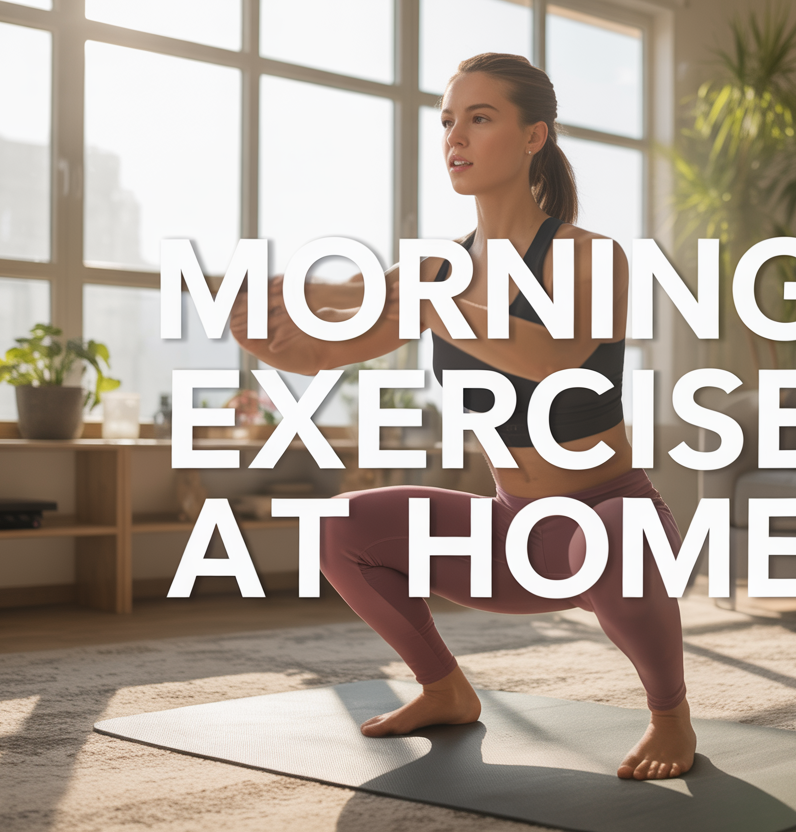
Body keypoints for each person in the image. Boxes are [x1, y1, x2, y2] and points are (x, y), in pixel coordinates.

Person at [231, 53, 695, 781]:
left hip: (609, 522)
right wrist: (276, 325)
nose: (457, 136)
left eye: (480, 118)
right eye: (449, 120)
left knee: (613, 534)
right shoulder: (433, 271)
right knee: (337, 524)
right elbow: (331, 340)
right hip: (513, 538)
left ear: (534, 136)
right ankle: (444, 688)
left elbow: (556, 359)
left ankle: (671, 714)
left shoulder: (589, 257)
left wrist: (427, 301)